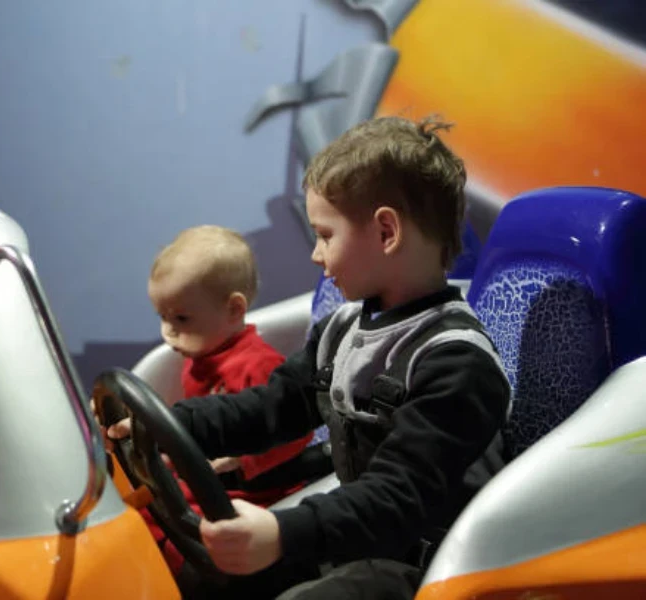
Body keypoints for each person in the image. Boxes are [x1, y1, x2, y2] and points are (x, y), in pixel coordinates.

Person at [107, 116, 510, 599]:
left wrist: (283, 534)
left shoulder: (456, 365)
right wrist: (174, 424)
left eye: (325, 235)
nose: (317, 256)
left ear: (386, 232)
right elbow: (272, 406)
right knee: (202, 579)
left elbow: (399, 496)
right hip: (361, 536)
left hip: (429, 563)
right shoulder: (343, 330)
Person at [143, 224, 314, 573]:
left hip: (257, 491)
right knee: (146, 511)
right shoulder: (200, 357)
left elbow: (296, 429)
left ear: (234, 309)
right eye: (163, 316)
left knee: (181, 537)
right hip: (205, 475)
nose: (169, 331)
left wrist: (241, 461)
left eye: (181, 318)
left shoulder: (259, 366)